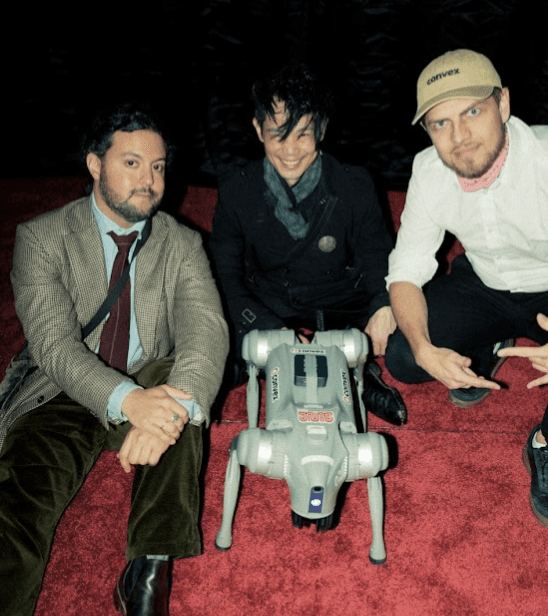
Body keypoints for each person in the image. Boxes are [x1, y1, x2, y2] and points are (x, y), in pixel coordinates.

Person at [0, 103, 229, 616]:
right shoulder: (41, 238)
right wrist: (129, 402)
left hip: (151, 374)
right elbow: (54, 347)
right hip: (61, 388)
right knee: (19, 505)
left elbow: (206, 330)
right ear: (94, 164)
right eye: (132, 163)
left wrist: (169, 410)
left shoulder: (182, 242)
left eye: (158, 166)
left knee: (179, 396)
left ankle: (148, 574)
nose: (149, 180)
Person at [386, 50, 548, 529]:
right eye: (440, 123)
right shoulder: (429, 171)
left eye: (472, 111)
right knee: (404, 356)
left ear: (504, 104)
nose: (459, 136)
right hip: (486, 283)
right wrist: (425, 348)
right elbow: (405, 273)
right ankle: (487, 344)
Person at [210, 63, 406, 425]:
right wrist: (270, 328)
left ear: (322, 129)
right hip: (274, 303)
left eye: (303, 135)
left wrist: (383, 303)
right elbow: (226, 276)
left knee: (409, 332)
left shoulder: (354, 183)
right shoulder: (237, 189)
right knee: (205, 326)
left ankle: (348, 370)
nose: (291, 151)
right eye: (278, 135)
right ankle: (353, 375)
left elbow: (377, 254)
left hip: (343, 305)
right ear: (258, 130)